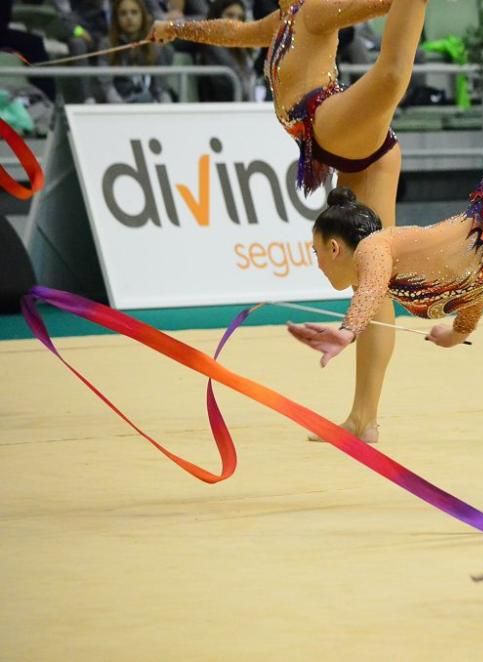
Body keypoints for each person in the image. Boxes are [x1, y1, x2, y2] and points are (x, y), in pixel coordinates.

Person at [287, 0, 483, 519]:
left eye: (319, 258)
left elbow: (368, 288)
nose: (320, 269)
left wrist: (346, 330)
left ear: (336, 246)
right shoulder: (406, 283)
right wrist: (458, 331)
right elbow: (475, 287)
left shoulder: (377, 249)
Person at [151, 0, 431, 443]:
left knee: (391, 75)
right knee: (372, 280)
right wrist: (175, 28)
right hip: (359, 153)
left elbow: (374, 5)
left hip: (334, 125)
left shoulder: (316, 11)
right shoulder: (283, 20)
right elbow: (230, 32)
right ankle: (364, 418)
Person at [99, 0, 174, 104]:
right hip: (119, 106)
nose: (129, 17)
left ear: (143, 16)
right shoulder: (107, 44)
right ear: (116, 19)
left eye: (134, 12)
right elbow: (107, 86)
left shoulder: (156, 46)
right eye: (123, 13)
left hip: (150, 106)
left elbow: (161, 89)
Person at [195, 0, 257, 101]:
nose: (235, 21)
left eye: (240, 18)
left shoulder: (242, 49)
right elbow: (235, 86)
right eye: (230, 15)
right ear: (217, 17)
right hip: (219, 108)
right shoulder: (211, 45)